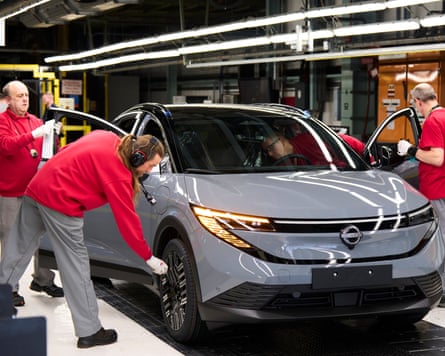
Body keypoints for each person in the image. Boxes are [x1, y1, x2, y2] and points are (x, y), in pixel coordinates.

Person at [0, 129, 169, 348]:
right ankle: (90, 330)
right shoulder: (118, 174)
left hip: (38, 186)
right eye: (151, 165)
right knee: (76, 267)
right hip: (61, 203)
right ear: (138, 157)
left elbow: (67, 151)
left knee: (18, 247)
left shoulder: (107, 136)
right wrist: (148, 258)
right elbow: (128, 222)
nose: (150, 170)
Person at [0, 80, 63, 307]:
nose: (25, 99)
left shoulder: (35, 120)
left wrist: (54, 135)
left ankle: (43, 280)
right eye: (19, 96)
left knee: (40, 237)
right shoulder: (2, 121)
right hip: (9, 192)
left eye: (26, 95)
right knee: (11, 241)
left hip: (35, 191)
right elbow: (6, 145)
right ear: (8, 100)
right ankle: (9, 288)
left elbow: (48, 150)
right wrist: (35, 133)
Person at [397, 82, 445, 307]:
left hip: (437, 190)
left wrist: (410, 150)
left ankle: (442, 291)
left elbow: (436, 158)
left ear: (418, 102)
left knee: (441, 242)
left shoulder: (433, 121)